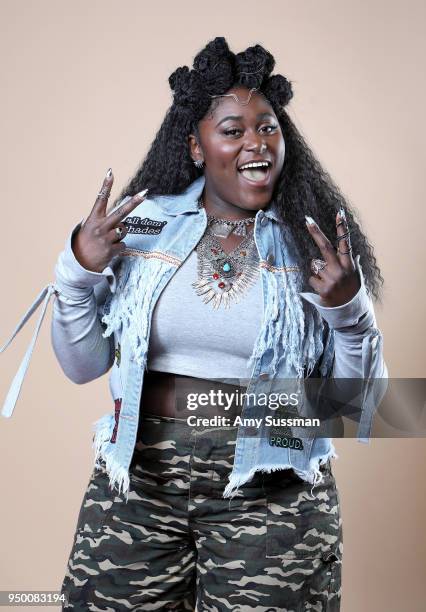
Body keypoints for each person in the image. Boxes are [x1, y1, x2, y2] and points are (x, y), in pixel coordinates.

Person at [0, 37, 387, 610]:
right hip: (139, 480)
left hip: (271, 487)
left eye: (268, 128)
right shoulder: (142, 225)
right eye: (233, 130)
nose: (256, 143)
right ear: (197, 147)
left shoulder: (317, 246)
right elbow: (81, 366)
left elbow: (360, 410)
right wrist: (78, 270)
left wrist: (349, 312)